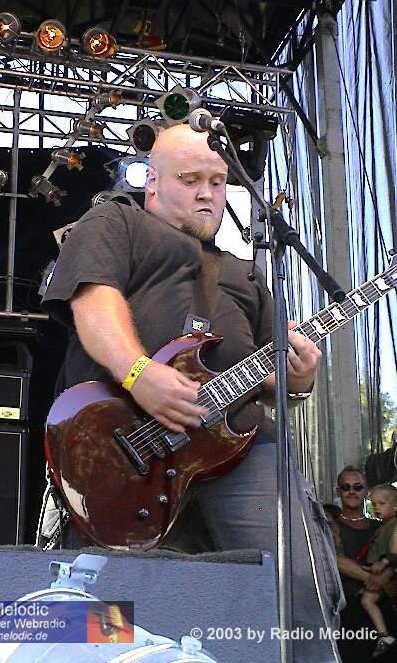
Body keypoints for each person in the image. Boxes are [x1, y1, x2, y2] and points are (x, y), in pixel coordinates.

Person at [42, 123, 340, 661]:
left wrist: (298, 379)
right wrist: (139, 373)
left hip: (240, 451)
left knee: (297, 581)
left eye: (218, 182)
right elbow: (92, 301)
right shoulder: (115, 222)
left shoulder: (246, 273)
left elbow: (275, 374)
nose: (208, 193)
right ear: (153, 181)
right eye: (190, 179)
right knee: (118, 609)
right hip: (125, 446)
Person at [325, 468, 396, 661]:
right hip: (347, 616)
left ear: (366, 491)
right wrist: (373, 579)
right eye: (345, 487)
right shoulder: (330, 526)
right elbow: (335, 559)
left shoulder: (383, 526)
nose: (352, 491)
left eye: (357, 487)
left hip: (383, 613)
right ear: (338, 491)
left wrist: (386, 575)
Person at [360, 484, 397, 658]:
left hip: (389, 571)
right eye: (373, 504)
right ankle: (384, 635)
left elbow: (394, 550)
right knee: (367, 600)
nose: (376, 508)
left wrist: (385, 562)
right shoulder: (382, 525)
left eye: (382, 504)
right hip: (378, 570)